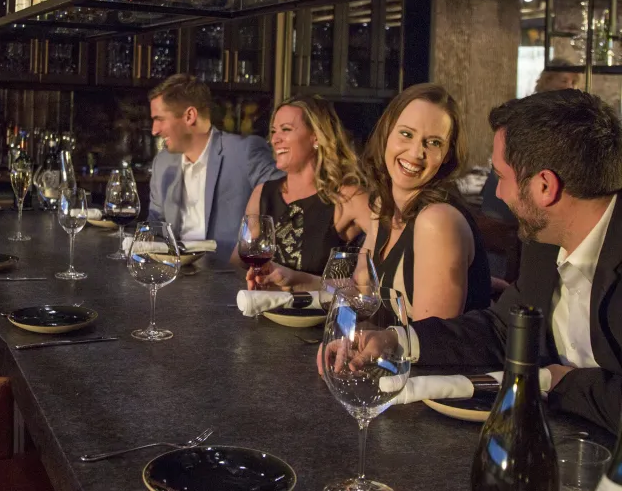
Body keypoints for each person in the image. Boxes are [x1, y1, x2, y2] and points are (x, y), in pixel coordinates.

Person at [373, 89, 622, 433]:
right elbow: (501, 329)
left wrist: (563, 384)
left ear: (545, 187)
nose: (500, 194)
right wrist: (398, 340)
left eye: (500, 177)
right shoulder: (545, 240)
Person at [357, 84, 491, 320]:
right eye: (406, 134)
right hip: (382, 354)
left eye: (434, 143)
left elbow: (432, 341)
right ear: (387, 132)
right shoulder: (383, 204)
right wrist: (303, 282)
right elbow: (360, 292)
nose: (416, 152)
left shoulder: (438, 221)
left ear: (448, 154)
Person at [233, 96, 372, 287]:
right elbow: (237, 263)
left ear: (316, 136)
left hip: (320, 315)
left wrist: (301, 281)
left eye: (286, 129)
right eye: (273, 131)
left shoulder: (348, 198)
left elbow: (377, 277)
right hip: (265, 311)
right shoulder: (262, 193)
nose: (275, 139)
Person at [148, 74, 281, 262]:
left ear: (189, 116)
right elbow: (155, 226)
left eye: (159, 119)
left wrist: (254, 226)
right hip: (174, 276)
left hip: (228, 277)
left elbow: (287, 196)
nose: (154, 130)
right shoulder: (162, 162)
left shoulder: (244, 151)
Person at [481, 59, 581, 223]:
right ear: (548, 80)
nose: (570, 86)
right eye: (564, 80)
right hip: (510, 209)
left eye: (573, 82)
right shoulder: (533, 115)